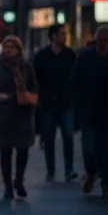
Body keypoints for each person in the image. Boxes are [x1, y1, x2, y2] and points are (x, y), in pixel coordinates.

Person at [72, 26, 108, 199]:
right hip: (89, 112)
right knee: (88, 147)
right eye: (99, 40)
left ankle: (107, 184)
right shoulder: (85, 58)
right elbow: (75, 82)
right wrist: (79, 104)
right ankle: (92, 170)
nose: (102, 44)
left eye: (106, 40)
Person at [0, 36, 39, 200]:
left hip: (22, 113)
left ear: (18, 49)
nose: (8, 50)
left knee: (23, 149)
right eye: (6, 47)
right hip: (3, 114)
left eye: (12, 47)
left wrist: (28, 94)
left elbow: (34, 86)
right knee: (6, 150)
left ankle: (19, 180)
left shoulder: (26, 67)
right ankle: (8, 185)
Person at [33, 23, 78, 182]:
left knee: (67, 135)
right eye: (61, 34)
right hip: (48, 103)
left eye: (64, 34)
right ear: (52, 36)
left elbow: (75, 78)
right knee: (49, 137)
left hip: (66, 102)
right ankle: (50, 170)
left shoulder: (70, 55)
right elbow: (36, 79)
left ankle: (69, 168)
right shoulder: (41, 56)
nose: (64, 36)